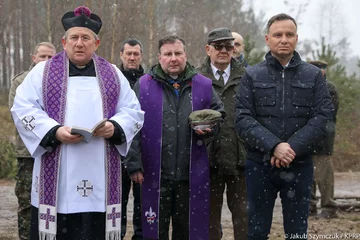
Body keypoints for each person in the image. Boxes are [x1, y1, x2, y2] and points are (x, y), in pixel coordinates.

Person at [10, 6, 144, 240]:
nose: (79, 43)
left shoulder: (112, 74)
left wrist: (115, 127)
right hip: (57, 171)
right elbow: (22, 108)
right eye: (74, 38)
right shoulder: (42, 72)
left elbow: (133, 111)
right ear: (64, 42)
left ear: (96, 42)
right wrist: (53, 131)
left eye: (85, 38)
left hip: (101, 173)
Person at [234, 13, 334, 239]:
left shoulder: (313, 76)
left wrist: (291, 148)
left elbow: (323, 117)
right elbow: (242, 119)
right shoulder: (252, 75)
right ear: (267, 39)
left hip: (299, 166)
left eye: (289, 35)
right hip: (260, 165)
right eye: (278, 35)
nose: (284, 39)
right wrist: (274, 146)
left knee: (297, 231)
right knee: (257, 230)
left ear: (297, 38)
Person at [124, 35, 225, 240]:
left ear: (185, 55)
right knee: (153, 231)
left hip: (190, 175)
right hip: (154, 174)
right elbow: (131, 125)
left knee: (187, 232)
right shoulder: (143, 85)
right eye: (168, 54)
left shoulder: (203, 85)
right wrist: (133, 164)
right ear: (159, 57)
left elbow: (219, 115)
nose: (173, 58)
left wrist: (210, 129)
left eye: (178, 53)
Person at [197, 27, 248, 240]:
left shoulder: (248, 77)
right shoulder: (197, 78)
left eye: (229, 46)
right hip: (208, 160)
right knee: (209, 221)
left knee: (244, 219)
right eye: (218, 46)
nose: (224, 51)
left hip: (241, 160)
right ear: (208, 49)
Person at [9, 42, 56, 240]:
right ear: (33, 58)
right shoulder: (20, 82)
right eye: (42, 56)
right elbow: (20, 116)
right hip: (29, 152)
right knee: (27, 201)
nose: (45, 61)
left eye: (50, 58)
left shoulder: (59, 82)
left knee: (53, 203)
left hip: (55, 150)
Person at [119, 38, 145, 240]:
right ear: (121, 55)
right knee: (116, 205)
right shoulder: (112, 79)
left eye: (136, 54)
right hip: (116, 151)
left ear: (141, 56)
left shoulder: (148, 81)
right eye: (128, 53)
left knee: (142, 204)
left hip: (143, 153)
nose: (132, 57)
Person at [308, 60, 339, 219]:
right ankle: (310, 206)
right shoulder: (304, 87)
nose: (320, 71)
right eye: (316, 69)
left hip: (323, 141)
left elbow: (327, 114)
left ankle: (329, 207)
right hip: (306, 141)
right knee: (307, 176)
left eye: (322, 69)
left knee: (323, 176)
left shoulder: (329, 89)